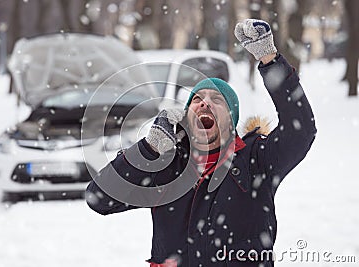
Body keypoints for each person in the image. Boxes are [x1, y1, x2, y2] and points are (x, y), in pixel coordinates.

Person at [86, 19, 316, 267]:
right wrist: (148, 150)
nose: (204, 103)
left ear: (230, 121)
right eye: (197, 99)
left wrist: (270, 59)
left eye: (216, 100)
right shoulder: (166, 166)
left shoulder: (255, 159)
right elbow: (99, 198)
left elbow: (301, 130)